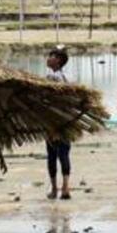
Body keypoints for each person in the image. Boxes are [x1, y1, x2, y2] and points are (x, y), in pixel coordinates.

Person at [44, 47, 74, 200]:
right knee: (64, 153)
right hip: (65, 121)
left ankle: (55, 188)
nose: (48, 58)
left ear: (58, 61)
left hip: (52, 121)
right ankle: (66, 187)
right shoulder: (65, 77)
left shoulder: (52, 77)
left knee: (52, 154)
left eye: (52, 56)